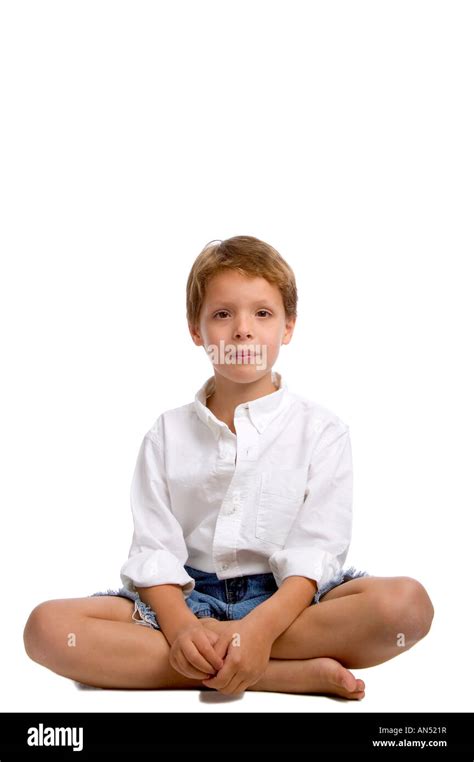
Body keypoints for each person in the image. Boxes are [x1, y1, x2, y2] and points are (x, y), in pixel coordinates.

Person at [23, 235, 434, 698]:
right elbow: (154, 548)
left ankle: (236, 655)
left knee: (407, 608)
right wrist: (179, 628)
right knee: (47, 629)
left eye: (262, 313)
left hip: (289, 605)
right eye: (222, 314)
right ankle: (280, 674)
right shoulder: (166, 433)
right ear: (197, 331)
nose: (242, 330)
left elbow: (317, 548)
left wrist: (260, 629)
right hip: (184, 601)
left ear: (288, 327)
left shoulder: (322, 430)